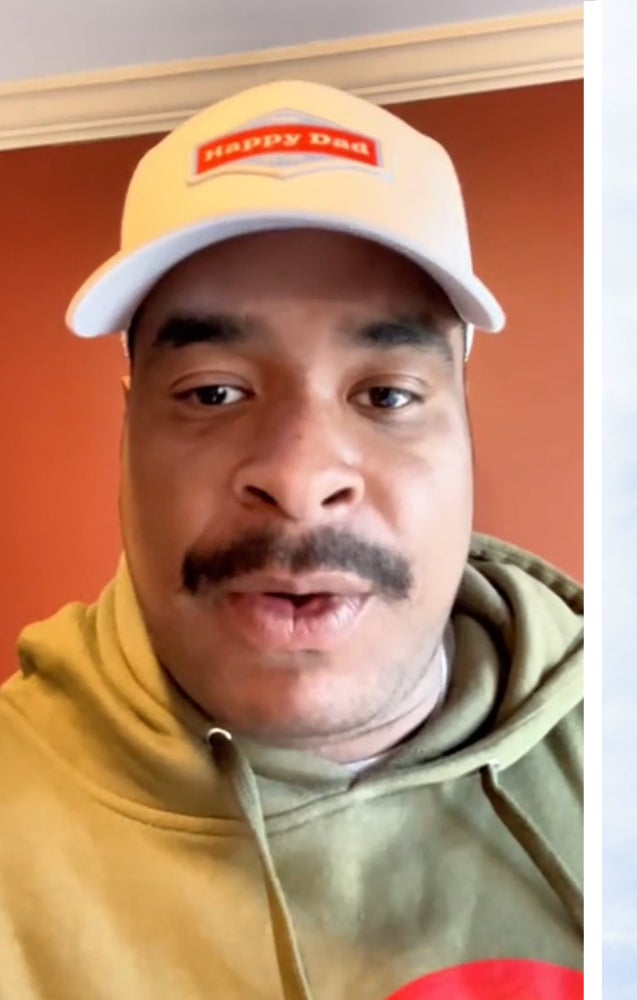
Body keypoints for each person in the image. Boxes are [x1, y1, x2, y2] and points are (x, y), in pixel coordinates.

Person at [0, 80, 583, 999]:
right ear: (126, 434)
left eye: (386, 395)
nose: (300, 476)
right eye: (212, 392)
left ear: (465, 425)